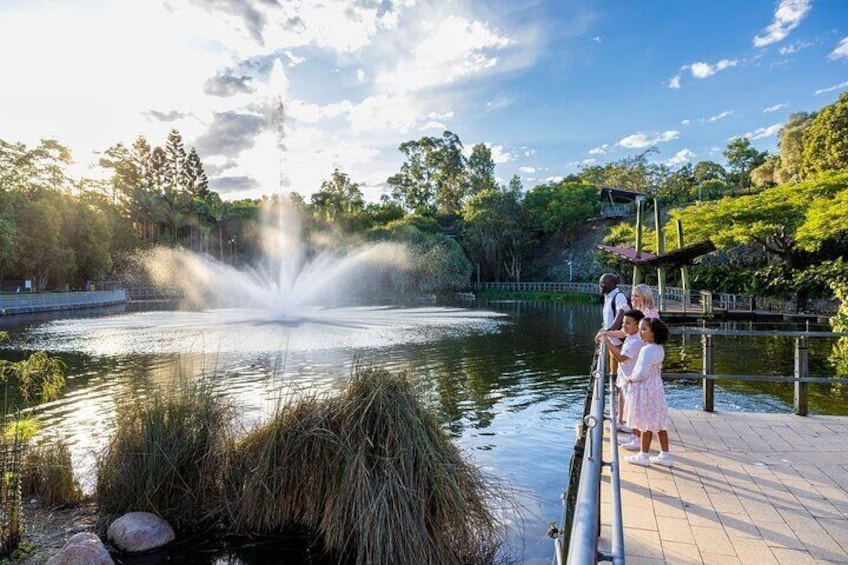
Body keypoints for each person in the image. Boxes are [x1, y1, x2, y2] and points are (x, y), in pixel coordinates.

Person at [623, 317, 673, 468]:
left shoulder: (647, 350)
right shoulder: (659, 348)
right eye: (640, 328)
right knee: (659, 422)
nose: (640, 332)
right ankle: (665, 454)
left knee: (645, 421)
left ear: (653, 333)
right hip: (656, 387)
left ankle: (643, 455)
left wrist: (631, 378)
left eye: (644, 329)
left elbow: (642, 373)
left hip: (646, 388)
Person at [602, 309, 645, 449]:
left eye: (628, 323)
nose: (624, 326)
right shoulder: (631, 337)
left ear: (637, 325)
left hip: (632, 380)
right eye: (624, 323)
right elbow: (621, 334)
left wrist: (607, 342)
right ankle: (634, 436)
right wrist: (607, 333)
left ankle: (637, 439)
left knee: (635, 411)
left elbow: (620, 357)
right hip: (627, 378)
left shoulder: (636, 342)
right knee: (631, 409)